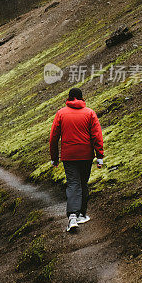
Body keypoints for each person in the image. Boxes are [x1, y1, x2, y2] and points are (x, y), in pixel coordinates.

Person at [49, 87, 104, 232]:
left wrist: (54, 158)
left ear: (68, 98)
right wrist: (99, 157)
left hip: (69, 156)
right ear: (81, 98)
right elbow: (97, 136)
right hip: (86, 155)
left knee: (73, 184)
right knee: (83, 183)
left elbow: (54, 137)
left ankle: (72, 216)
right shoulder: (90, 113)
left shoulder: (61, 113)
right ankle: (81, 214)